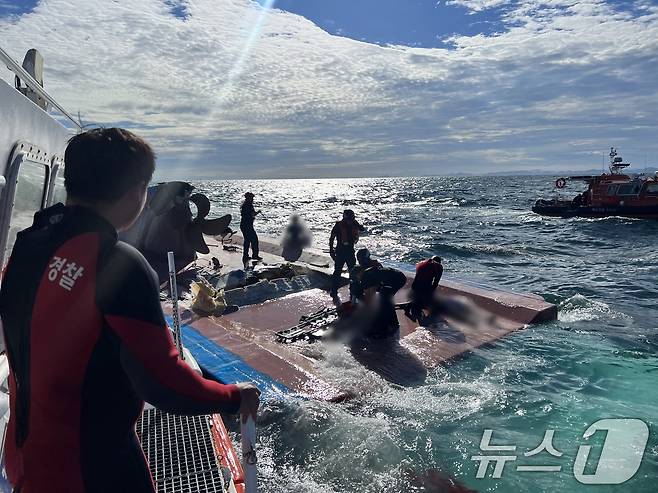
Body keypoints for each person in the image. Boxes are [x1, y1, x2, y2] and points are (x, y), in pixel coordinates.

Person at [0, 128, 260, 493]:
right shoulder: (116, 262)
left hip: (23, 455)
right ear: (137, 189)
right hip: (91, 469)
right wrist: (234, 396)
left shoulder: (28, 244)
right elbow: (163, 383)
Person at [329, 209, 365, 298]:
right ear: (345, 218)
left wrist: (358, 224)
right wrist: (331, 250)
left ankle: (353, 291)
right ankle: (334, 291)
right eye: (349, 219)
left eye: (352, 219)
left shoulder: (354, 223)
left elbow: (362, 229)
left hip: (350, 253)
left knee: (353, 273)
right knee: (337, 272)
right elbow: (332, 238)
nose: (350, 221)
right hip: (340, 252)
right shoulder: (338, 226)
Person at [407, 255, 443, 321]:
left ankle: (414, 303)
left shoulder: (422, 263)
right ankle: (415, 304)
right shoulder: (439, 266)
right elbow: (436, 282)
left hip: (414, 286)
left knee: (418, 300)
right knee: (434, 306)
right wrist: (431, 294)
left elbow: (418, 276)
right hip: (424, 287)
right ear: (439, 262)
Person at [240, 191, 261, 263]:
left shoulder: (247, 205)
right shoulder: (247, 205)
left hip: (246, 225)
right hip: (247, 225)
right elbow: (250, 214)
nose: (252, 199)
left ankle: (247, 255)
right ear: (249, 198)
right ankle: (253, 255)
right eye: (252, 198)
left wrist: (257, 213)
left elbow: (252, 214)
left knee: (248, 240)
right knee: (253, 240)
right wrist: (255, 214)